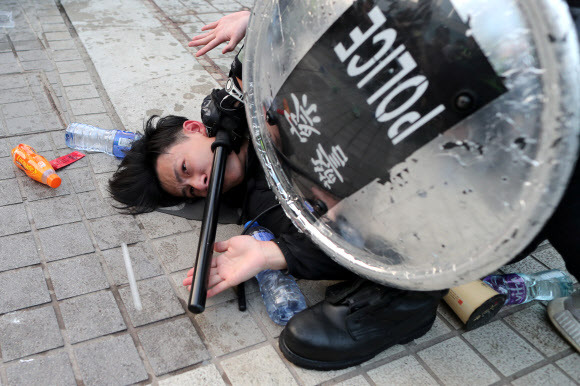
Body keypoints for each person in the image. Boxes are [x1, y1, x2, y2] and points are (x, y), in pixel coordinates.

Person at [108, 10, 579, 369]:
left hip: (464, 46)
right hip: (474, 161)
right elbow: (346, 247)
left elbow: (322, 22)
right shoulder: (265, 204)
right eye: (191, 192)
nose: (200, 181)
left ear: (195, 127)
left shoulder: (249, 85)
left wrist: (261, 17)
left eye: (187, 167)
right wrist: (270, 255)